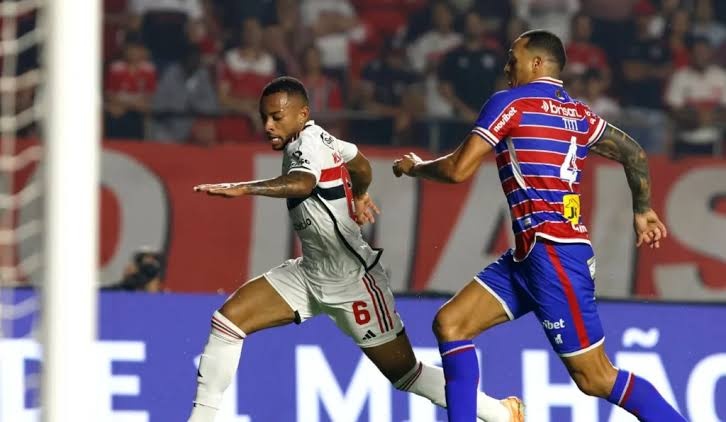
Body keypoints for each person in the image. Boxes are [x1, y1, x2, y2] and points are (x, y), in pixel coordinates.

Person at [186, 76, 523, 422]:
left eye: (277, 117)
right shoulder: (321, 137)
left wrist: (243, 188)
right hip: (310, 273)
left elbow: (303, 182)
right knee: (228, 321)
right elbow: (359, 162)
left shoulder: (307, 146)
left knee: (405, 373)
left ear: (302, 114)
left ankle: (499, 412)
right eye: (264, 117)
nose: (268, 125)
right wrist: (360, 193)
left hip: (354, 283)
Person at [393, 30, 687, 422]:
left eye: (512, 59)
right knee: (451, 324)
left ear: (536, 63)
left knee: (596, 378)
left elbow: (458, 170)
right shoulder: (578, 114)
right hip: (531, 253)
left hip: (554, 254)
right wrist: (643, 208)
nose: (506, 67)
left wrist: (416, 167)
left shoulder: (510, 102)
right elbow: (633, 152)